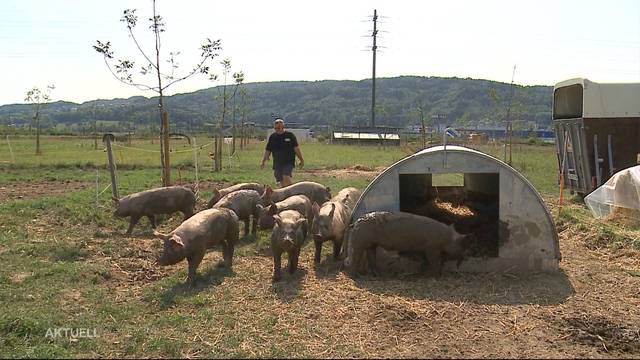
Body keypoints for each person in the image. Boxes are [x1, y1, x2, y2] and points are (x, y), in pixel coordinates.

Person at [260, 118, 304, 187]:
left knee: (286, 176)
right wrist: (263, 161)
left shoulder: (290, 136)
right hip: (277, 162)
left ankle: (291, 193)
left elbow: (296, 148)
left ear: (283, 127)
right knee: (280, 179)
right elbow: (268, 149)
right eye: (276, 128)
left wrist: (301, 160)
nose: (278, 129)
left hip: (288, 161)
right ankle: (284, 194)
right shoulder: (273, 137)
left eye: (279, 128)